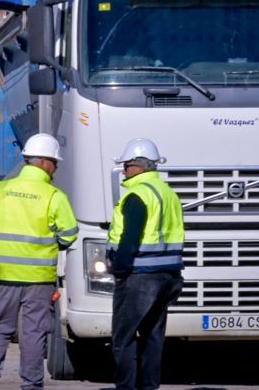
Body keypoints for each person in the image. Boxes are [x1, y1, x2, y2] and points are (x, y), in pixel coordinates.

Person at [0, 133, 79, 390]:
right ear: (44, 162)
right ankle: (31, 384)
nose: (56, 168)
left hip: (4, 276)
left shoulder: (1, 190)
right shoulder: (53, 196)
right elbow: (69, 234)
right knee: (33, 332)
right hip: (38, 280)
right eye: (55, 162)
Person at [106, 137, 185, 390]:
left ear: (140, 166)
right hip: (169, 276)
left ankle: (127, 388)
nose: (124, 172)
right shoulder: (168, 194)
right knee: (153, 338)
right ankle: (149, 387)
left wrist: (119, 268)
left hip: (140, 276)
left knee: (124, 337)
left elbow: (130, 239)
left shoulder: (137, 196)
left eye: (127, 166)